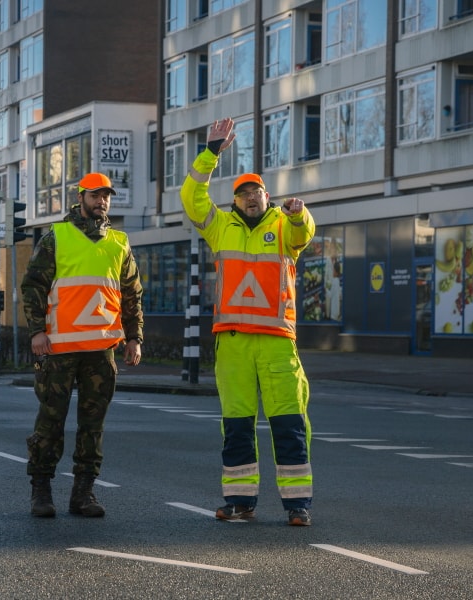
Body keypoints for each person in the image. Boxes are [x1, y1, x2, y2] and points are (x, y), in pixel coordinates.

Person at [180, 117, 316, 526]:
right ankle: (240, 501)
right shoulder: (220, 228)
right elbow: (191, 196)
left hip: (275, 341)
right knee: (237, 427)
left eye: (255, 192)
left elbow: (304, 231)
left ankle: (297, 506)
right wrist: (211, 153)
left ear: (266, 196)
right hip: (235, 341)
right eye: (242, 194)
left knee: (289, 424)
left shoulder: (283, 225)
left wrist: (297, 213)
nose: (249, 198)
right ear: (234, 201)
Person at [21, 172, 144, 518]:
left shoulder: (119, 242)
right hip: (57, 349)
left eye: (106, 196)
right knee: (50, 421)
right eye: (95, 195)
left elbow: (132, 295)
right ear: (81, 198)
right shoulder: (56, 238)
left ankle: (83, 493)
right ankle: (41, 490)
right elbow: (33, 287)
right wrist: (36, 332)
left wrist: (134, 338)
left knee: (93, 426)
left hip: (101, 351)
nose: (101, 201)